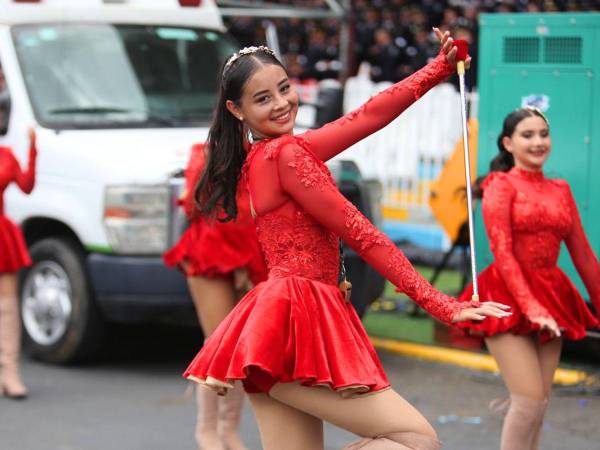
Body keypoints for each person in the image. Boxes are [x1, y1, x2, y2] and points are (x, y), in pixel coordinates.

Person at [184, 29, 509, 450]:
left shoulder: (272, 153)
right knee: (417, 441)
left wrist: (439, 68)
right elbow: (362, 234)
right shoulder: (286, 156)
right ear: (236, 109)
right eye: (263, 98)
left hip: (280, 324)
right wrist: (442, 305)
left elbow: (368, 116)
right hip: (296, 319)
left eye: (284, 89)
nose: (282, 103)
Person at [456, 107, 600, 450]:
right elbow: (502, 252)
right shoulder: (499, 185)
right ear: (508, 143)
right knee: (529, 400)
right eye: (527, 135)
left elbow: (582, 254)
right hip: (505, 297)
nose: (538, 142)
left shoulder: (560, 188)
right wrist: (532, 308)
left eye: (543, 134)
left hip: (552, 294)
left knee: (540, 404)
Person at [163, 143, 267, 450]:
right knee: (217, 345)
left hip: (251, 256)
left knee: (240, 349)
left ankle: (228, 429)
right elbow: (192, 204)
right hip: (210, 251)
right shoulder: (203, 152)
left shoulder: (263, 152)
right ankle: (206, 429)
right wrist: (213, 161)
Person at [0, 129, 37, 399]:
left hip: (1, 235)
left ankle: (10, 371)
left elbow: (26, 186)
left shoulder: (6, 155)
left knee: (7, 307)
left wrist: (33, 151)